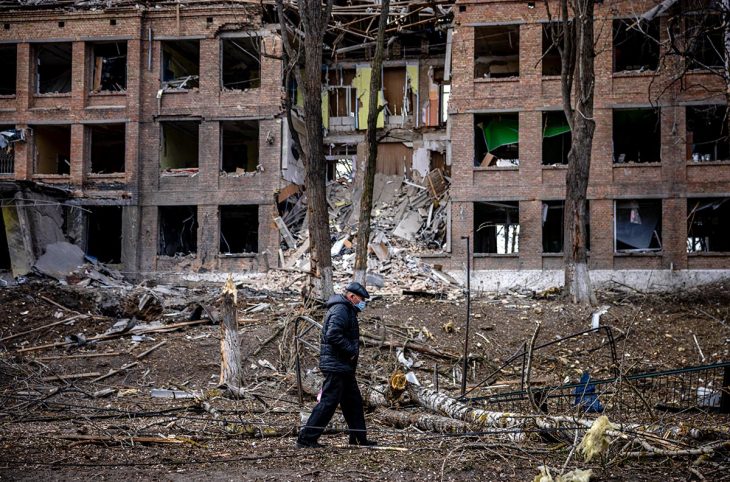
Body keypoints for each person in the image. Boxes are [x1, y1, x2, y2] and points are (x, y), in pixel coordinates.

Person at [296, 282, 377, 448]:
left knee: (353, 402)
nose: (363, 303)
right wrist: (351, 350)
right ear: (352, 296)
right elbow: (333, 334)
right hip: (337, 365)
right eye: (361, 299)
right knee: (328, 402)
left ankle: (358, 438)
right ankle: (306, 438)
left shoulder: (346, 310)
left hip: (343, 366)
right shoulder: (341, 310)